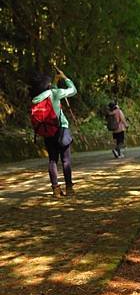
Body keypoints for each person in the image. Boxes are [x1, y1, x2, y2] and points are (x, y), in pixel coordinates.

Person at [30, 68, 77, 198]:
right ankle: (69, 188)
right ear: (48, 85)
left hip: (47, 131)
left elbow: (51, 95)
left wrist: (55, 82)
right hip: (61, 128)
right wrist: (65, 78)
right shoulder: (54, 93)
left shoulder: (36, 98)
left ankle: (56, 189)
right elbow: (73, 91)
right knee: (66, 160)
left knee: (52, 160)